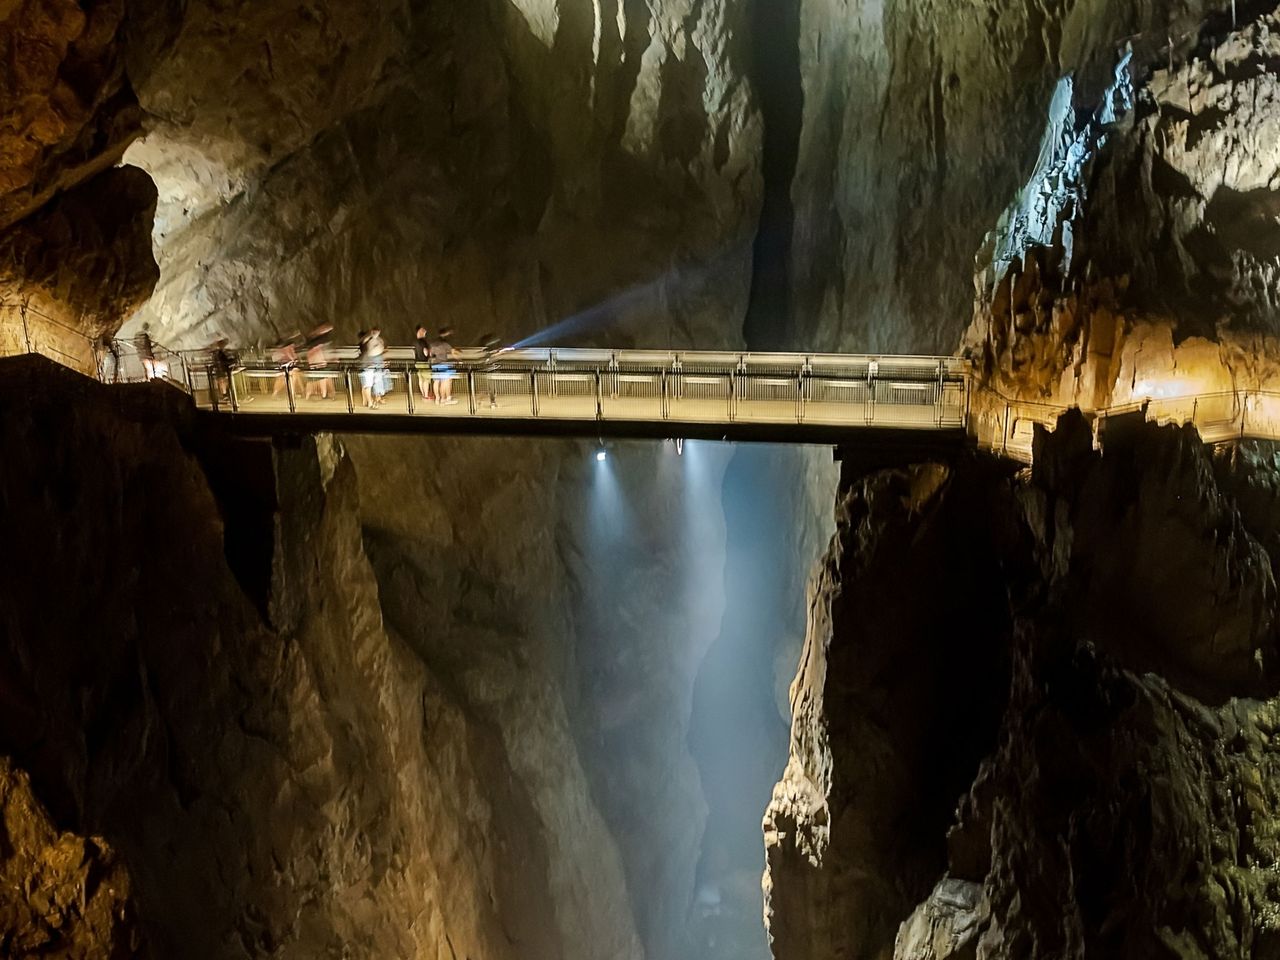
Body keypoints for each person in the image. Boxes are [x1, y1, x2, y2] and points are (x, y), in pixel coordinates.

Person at [428, 327, 459, 405]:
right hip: (443, 364)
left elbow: (430, 354)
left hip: (434, 364)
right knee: (446, 381)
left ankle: (437, 399)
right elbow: (454, 353)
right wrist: (459, 360)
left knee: (436, 381)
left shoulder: (432, 344)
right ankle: (445, 398)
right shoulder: (445, 344)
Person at [303, 323, 334, 399]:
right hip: (319, 363)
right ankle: (324, 394)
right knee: (323, 378)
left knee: (314, 380)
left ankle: (310, 395)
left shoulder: (312, 347)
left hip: (315, 363)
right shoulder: (317, 345)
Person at [414, 325, 433, 402]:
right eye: (423, 330)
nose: (425, 332)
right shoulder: (423, 341)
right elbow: (426, 352)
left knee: (421, 379)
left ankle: (423, 395)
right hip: (424, 363)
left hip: (417, 362)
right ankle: (426, 396)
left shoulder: (415, 342)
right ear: (419, 331)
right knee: (426, 379)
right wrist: (430, 354)